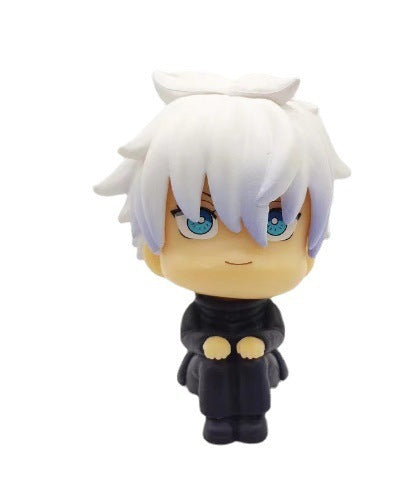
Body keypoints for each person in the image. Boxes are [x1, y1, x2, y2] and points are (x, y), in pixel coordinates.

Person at [94, 71, 350, 443]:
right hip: (210, 362)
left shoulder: (262, 308)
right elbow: (190, 330)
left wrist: (263, 342)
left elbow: (275, 328)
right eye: (198, 222)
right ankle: (217, 420)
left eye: (276, 223)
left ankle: (252, 419)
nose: (236, 254)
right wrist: (202, 344)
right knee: (214, 372)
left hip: (255, 360)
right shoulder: (202, 308)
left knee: (253, 370)